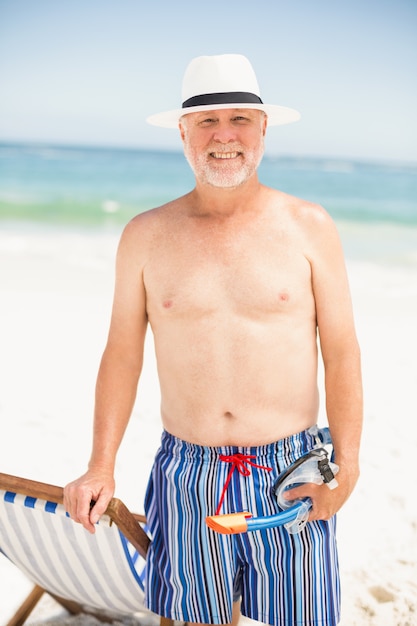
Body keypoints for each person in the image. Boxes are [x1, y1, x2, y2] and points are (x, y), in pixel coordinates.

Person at [64, 54, 363, 626]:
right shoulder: (146, 235)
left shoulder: (309, 226)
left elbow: (342, 350)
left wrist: (347, 466)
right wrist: (100, 465)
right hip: (187, 470)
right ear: (182, 133)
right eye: (206, 122)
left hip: (291, 468)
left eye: (240, 119)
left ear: (263, 130)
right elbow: (122, 354)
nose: (224, 136)